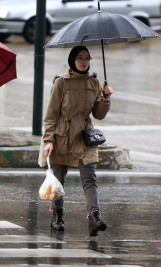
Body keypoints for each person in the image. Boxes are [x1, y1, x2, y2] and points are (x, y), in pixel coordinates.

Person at [42, 46, 113, 237]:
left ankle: (94, 217)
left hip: (85, 137)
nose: (84, 61)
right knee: (58, 180)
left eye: (87, 58)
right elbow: (51, 115)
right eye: (80, 58)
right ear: (72, 60)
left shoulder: (94, 83)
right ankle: (57, 216)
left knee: (90, 178)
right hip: (62, 137)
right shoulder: (61, 83)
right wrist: (48, 140)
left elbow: (98, 114)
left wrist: (105, 98)